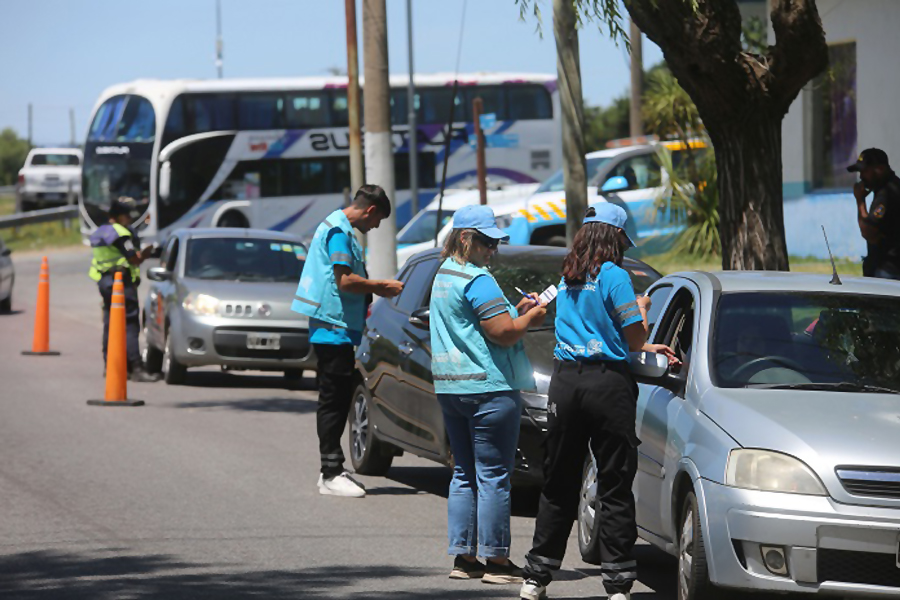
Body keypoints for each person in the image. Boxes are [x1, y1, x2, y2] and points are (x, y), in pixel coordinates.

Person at [520, 203, 677, 600]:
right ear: (616, 238)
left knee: (559, 480)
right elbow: (635, 339)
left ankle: (536, 577)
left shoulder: (568, 273)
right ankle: (618, 584)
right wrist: (642, 309)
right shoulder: (615, 276)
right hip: (608, 385)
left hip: (566, 385)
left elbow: (557, 312)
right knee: (614, 482)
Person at [429, 205, 548, 585]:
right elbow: (502, 333)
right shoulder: (478, 279)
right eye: (487, 242)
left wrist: (516, 311)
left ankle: (464, 559)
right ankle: (497, 562)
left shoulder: (444, 274)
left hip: (452, 387)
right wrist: (532, 318)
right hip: (489, 389)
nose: (492, 250)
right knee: (495, 476)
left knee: (464, 473)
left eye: (496, 243)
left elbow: (479, 325)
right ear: (466, 238)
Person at [291, 185, 404, 498]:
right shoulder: (339, 232)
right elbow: (345, 281)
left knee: (336, 399)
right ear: (370, 211)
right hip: (333, 327)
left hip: (334, 327)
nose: (375, 227)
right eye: (377, 220)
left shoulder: (335, 226)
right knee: (333, 400)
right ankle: (330, 471)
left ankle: (331, 470)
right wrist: (381, 286)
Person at [88, 197, 160, 382]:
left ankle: (110, 365)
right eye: (127, 215)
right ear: (119, 216)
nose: (129, 218)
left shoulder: (100, 232)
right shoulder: (121, 234)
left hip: (104, 282)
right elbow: (133, 259)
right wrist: (145, 253)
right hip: (122, 284)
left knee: (110, 323)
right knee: (130, 325)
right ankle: (135, 367)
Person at [848, 148, 900, 279]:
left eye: (865, 171)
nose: (861, 177)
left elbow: (869, 232)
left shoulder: (886, 194)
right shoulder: (892, 187)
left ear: (880, 169)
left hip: (889, 270)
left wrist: (860, 201)